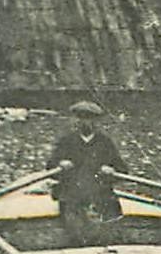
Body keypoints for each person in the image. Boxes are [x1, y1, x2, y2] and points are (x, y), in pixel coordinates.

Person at [45, 100, 126, 244]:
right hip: (72, 191)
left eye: (89, 118)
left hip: (99, 191)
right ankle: (78, 243)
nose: (85, 122)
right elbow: (50, 168)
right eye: (81, 117)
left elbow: (122, 170)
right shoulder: (66, 141)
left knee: (111, 217)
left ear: (96, 121)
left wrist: (111, 170)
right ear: (76, 120)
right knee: (74, 223)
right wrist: (60, 164)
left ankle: (108, 242)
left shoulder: (105, 142)